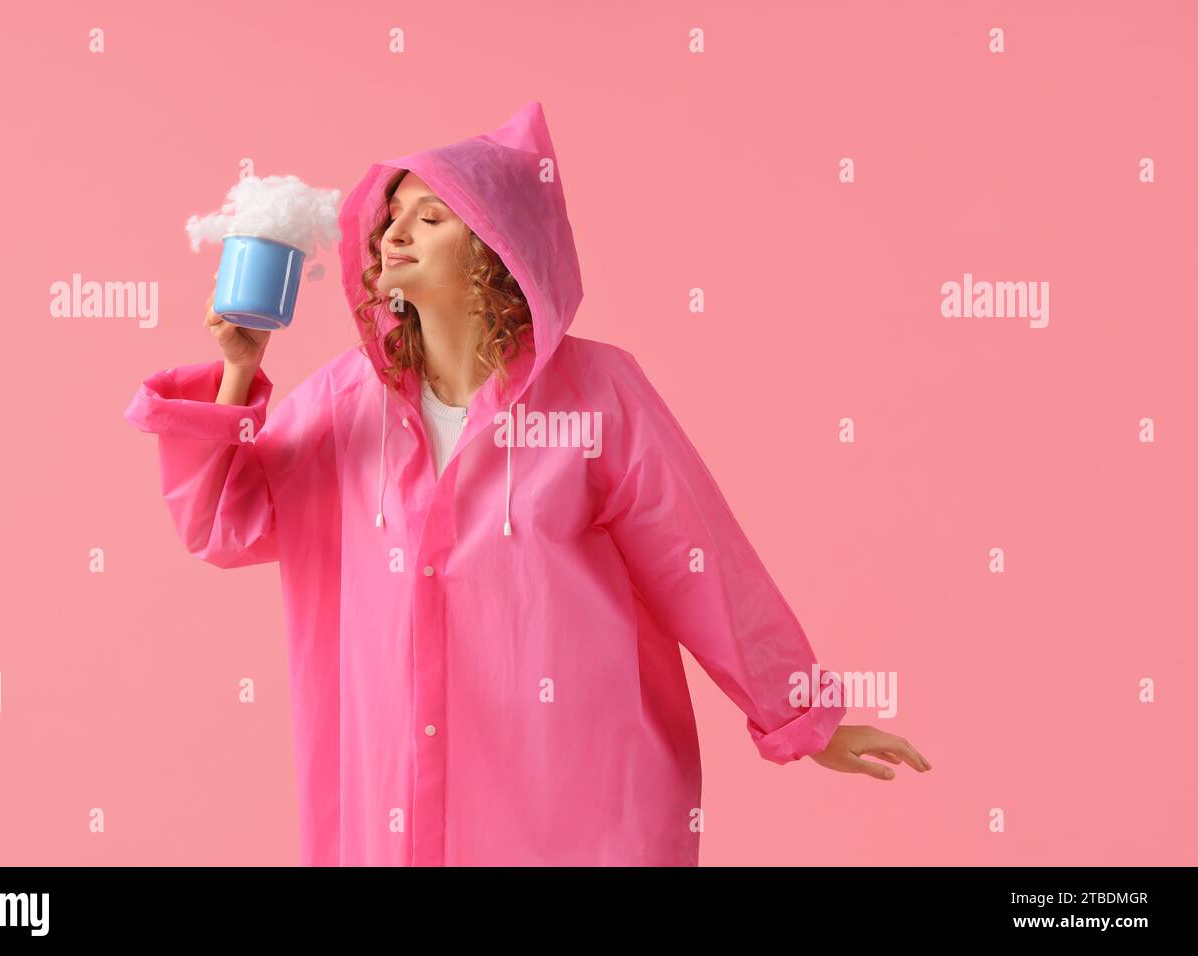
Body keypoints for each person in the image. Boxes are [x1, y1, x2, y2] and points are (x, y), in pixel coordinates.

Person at [124, 101, 930, 867]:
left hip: (573, 797)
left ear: (492, 248)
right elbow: (223, 526)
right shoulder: (344, 401)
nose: (394, 231)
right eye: (392, 216)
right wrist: (240, 369)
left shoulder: (597, 393)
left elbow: (702, 560)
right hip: (396, 798)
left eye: (430, 218)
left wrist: (803, 717)